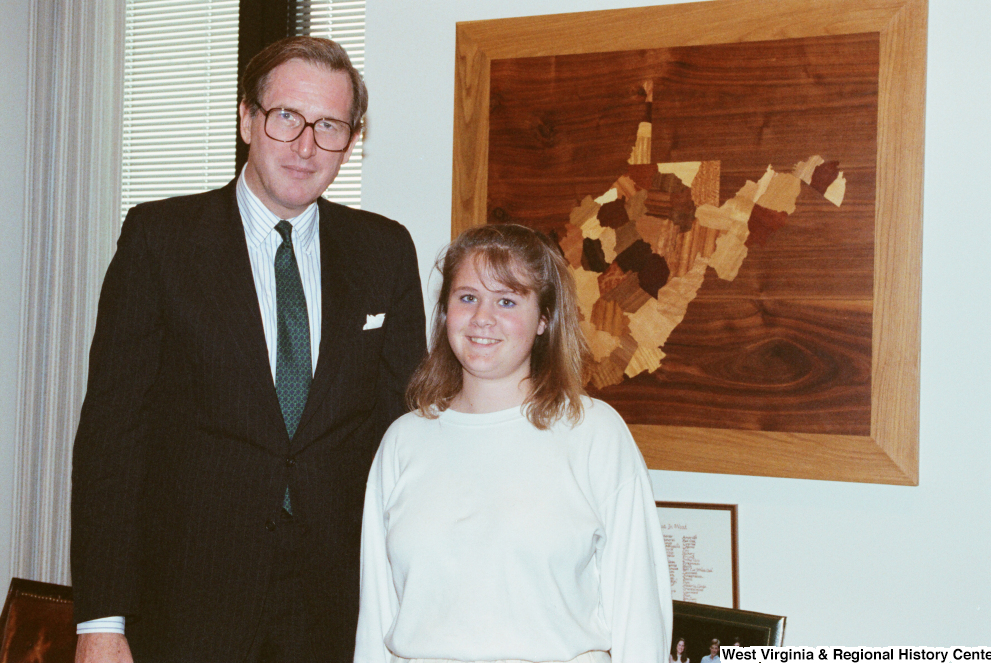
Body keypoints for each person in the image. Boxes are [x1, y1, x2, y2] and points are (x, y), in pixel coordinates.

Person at [71, 36, 426, 663]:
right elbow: (112, 438)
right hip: (185, 604)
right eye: (287, 116)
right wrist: (100, 620)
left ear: (351, 139)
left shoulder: (385, 252)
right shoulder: (161, 240)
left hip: (333, 610)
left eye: (330, 126)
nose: (306, 145)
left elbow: (405, 435)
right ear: (246, 118)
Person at [355, 224, 672, 663]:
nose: (482, 318)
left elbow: (639, 612)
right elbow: (376, 618)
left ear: (544, 319)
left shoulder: (594, 433)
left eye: (507, 300)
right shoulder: (404, 441)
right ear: (446, 310)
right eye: (467, 298)